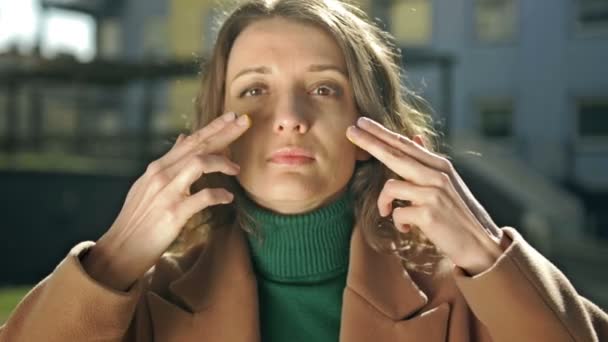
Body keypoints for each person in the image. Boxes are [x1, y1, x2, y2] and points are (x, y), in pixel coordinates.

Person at [1, 0, 607, 341]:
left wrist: (483, 250)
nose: (287, 117)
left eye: (322, 88)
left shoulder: (469, 304)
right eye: (254, 91)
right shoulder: (143, 304)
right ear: (215, 131)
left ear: (375, 132)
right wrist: (110, 261)